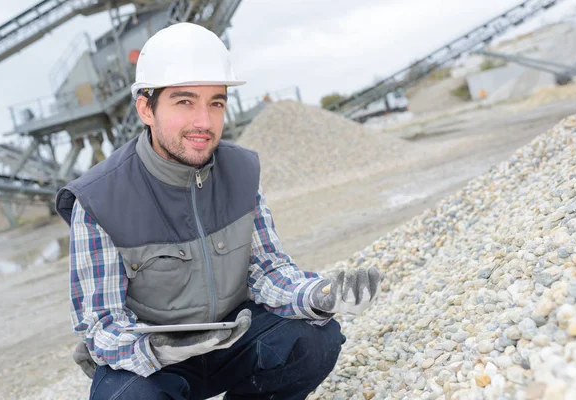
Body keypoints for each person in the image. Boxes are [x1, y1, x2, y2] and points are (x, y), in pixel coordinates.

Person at [55, 22, 382, 400]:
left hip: (234, 339)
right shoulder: (98, 199)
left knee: (315, 337)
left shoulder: (241, 173)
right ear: (146, 107)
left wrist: (317, 296)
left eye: (216, 103)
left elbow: (267, 270)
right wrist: (160, 348)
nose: (204, 122)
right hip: (153, 363)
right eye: (184, 101)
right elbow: (101, 325)